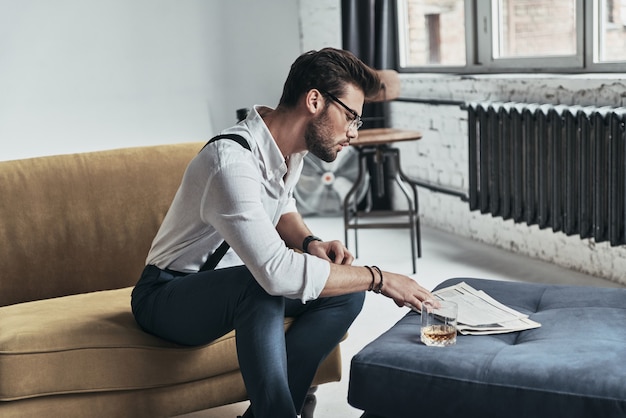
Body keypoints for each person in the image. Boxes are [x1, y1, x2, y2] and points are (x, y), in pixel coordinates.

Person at [131, 47, 434, 418]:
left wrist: (311, 242)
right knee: (261, 285)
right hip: (167, 295)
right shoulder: (230, 162)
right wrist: (379, 278)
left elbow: (280, 207)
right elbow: (274, 272)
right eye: (351, 117)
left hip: (231, 285)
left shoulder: (290, 151)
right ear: (314, 100)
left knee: (345, 295)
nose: (353, 133)